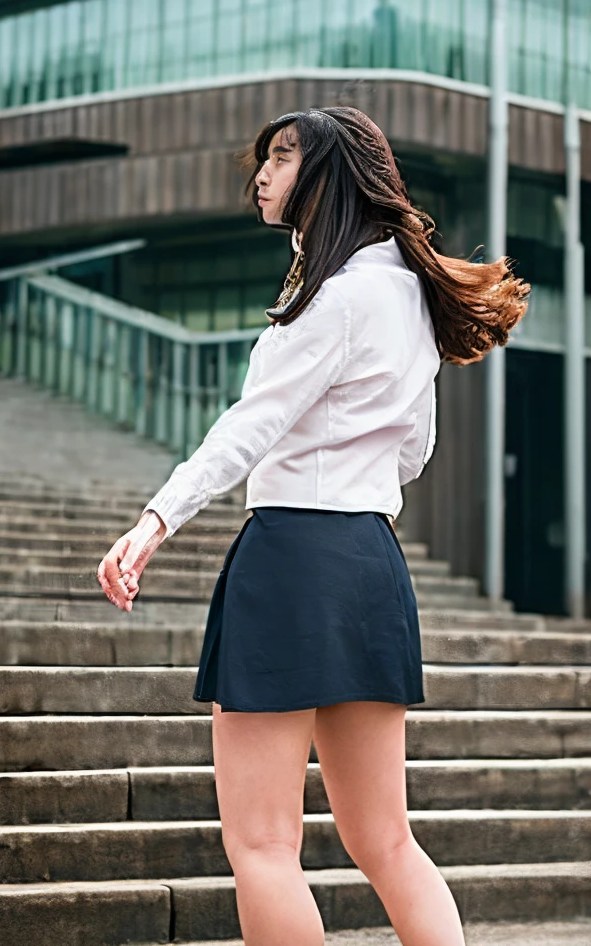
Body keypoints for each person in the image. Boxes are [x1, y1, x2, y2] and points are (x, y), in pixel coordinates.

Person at [97, 106, 530, 946]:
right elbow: (414, 449)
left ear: (328, 173)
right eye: (261, 157)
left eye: (282, 156)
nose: (261, 172)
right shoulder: (404, 294)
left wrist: (156, 520)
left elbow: (249, 427)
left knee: (263, 844)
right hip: (371, 559)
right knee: (388, 841)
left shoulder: (332, 299)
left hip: (294, 553)